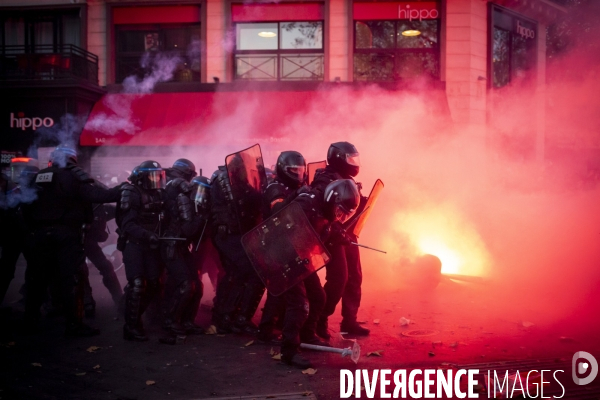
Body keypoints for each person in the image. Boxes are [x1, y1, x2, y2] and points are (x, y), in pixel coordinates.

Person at [21, 146, 121, 337]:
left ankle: (29, 321)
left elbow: (25, 205)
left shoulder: (39, 177)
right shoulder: (73, 177)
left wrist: (34, 230)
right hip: (67, 236)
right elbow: (99, 196)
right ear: (72, 160)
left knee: (37, 279)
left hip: (40, 236)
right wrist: (124, 189)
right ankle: (74, 324)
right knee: (73, 279)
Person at [277, 178, 360, 368]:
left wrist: (336, 235)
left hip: (300, 258)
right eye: (339, 211)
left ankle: (307, 335)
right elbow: (285, 229)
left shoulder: (324, 210)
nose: (340, 217)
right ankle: (289, 352)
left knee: (318, 297)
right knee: (299, 304)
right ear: (332, 199)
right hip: (285, 256)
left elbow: (320, 232)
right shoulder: (306, 205)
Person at [258, 151, 327, 349]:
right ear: (282, 169)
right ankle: (267, 331)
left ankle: (307, 333)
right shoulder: (275, 189)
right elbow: (278, 213)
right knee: (284, 295)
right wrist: (298, 195)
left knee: (317, 295)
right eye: (293, 171)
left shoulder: (299, 188)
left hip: (296, 248)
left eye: (301, 170)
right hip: (277, 249)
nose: (298, 174)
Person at [311, 142, 370, 338]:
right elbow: (321, 212)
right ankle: (320, 319)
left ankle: (349, 321)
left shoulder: (347, 179)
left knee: (354, 276)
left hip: (348, 234)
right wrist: (336, 231)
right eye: (351, 159)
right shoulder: (324, 180)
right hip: (332, 237)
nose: (355, 163)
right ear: (338, 159)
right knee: (338, 279)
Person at [209, 165, 264, 335]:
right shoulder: (224, 179)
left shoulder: (239, 181)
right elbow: (239, 200)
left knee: (237, 273)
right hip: (227, 235)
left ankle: (230, 316)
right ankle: (230, 317)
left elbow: (252, 197)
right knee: (245, 271)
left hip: (238, 234)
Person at [117, 160, 167, 341]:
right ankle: (130, 327)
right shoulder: (131, 193)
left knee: (154, 284)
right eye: (151, 176)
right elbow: (127, 224)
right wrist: (147, 235)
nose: (156, 180)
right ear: (141, 178)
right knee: (137, 284)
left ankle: (134, 316)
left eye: (158, 176)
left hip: (150, 245)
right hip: (134, 244)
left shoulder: (157, 193)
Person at [160, 159, 204, 336]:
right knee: (186, 284)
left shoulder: (168, 185)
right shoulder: (180, 191)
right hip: (172, 243)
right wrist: (202, 216)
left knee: (196, 285)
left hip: (178, 244)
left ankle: (186, 321)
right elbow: (188, 228)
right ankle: (171, 321)